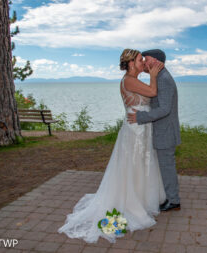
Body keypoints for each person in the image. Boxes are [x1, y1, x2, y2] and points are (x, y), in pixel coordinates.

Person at [58, 49, 165, 243]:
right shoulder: (129, 80)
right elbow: (152, 92)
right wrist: (155, 75)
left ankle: (140, 198)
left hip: (142, 127)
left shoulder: (133, 79)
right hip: (135, 131)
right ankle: (131, 203)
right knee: (132, 166)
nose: (143, 63)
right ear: (131, 63)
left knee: (140, 165)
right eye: (140, 60)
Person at [127, 49, 181, 212]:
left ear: (157, 62)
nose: (144, 62)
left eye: (146, 59)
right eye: (142, 59)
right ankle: (170, 197)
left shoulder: (163, 79)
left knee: (167, 167)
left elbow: (164, 109)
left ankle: (174, 201)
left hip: (165, 131)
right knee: (165, 166)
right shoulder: (159, 77)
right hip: (163, 130)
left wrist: (141, 117)